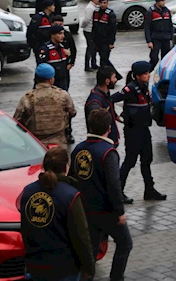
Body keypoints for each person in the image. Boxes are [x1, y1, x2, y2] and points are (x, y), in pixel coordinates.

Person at [70, 109, 132, 281]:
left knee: (91, 249)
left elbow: (72, 178)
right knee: (125, 244)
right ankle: (116, 277)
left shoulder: (79, 149)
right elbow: (114, 184)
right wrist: (119, 211)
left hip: (85, 210)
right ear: (109, 128)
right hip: (106, 211)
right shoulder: (108, 152)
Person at [19, 147, 95, 281]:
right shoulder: (71, 195)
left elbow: (25, 229)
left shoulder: (28, 192)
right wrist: (89, 267)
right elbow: (81, 236)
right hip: (64, 268)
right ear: (66, 167)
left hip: (35, 265)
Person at [119, 61, 166, 201]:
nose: (148, 75)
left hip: (144, 129)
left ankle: (149, 190)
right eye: (145, 73)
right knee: (130, 161)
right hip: (133, 131)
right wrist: (117, 117)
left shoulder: (144, 87)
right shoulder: (130, 89)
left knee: (147, 160)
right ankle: (118, 191)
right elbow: (111, 99)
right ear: (138, 76)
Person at [13, 64, 77, 150]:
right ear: (51, 79)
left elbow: (17, 119)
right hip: (59, 143)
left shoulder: (27, 98)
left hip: (35, 144)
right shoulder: (62, 95)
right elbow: (72, 112)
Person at [85, 66, 123, 149]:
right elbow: (97, 123)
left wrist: (115, 116)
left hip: (108, 140)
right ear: (107, 81)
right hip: (102, 143)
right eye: (114, 77)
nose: (116, 80)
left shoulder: (105, 94)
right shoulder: (95, 102)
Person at [92, 0, 120, 79]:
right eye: (101, 3)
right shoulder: (96, 12)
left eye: (104, 3)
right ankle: (115, 75)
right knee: (104, 59)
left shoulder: (110, 14)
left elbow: (113, 29)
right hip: (97, 40)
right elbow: (94, 26)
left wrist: (111, 42)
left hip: (106, 41)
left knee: (103, 60)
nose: (102, 5)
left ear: (107, 3)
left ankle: (104, 76)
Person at [37, 26, 72, 91]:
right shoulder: (46, 49)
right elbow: (41, 68)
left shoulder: (62, 48)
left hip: (63, 83)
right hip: (51, 85)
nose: (63, 36)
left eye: (63, 33)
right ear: (52, 35)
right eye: (60, 34)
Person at [145, 0, 173, 69]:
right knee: (154, 59)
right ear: (157, 2)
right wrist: (149, 41)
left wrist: (171, 37)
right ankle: (147, 73)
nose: (164, 2)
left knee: (165, 59)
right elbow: (147, 27)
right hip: (156, 38)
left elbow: (170, 25)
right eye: (162, 1)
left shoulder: (167, 11)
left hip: (166, 38)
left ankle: (163, 74)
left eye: (164, 0)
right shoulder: (151, 12)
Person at [82, 0, 100, 72]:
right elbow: (86, 19)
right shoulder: (90, 8)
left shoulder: (94, 7)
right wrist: (83, 26)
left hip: (92, 30)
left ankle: (93, 63)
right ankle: (87, 65)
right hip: (89, 30)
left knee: (94, 48)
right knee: (90, 48)